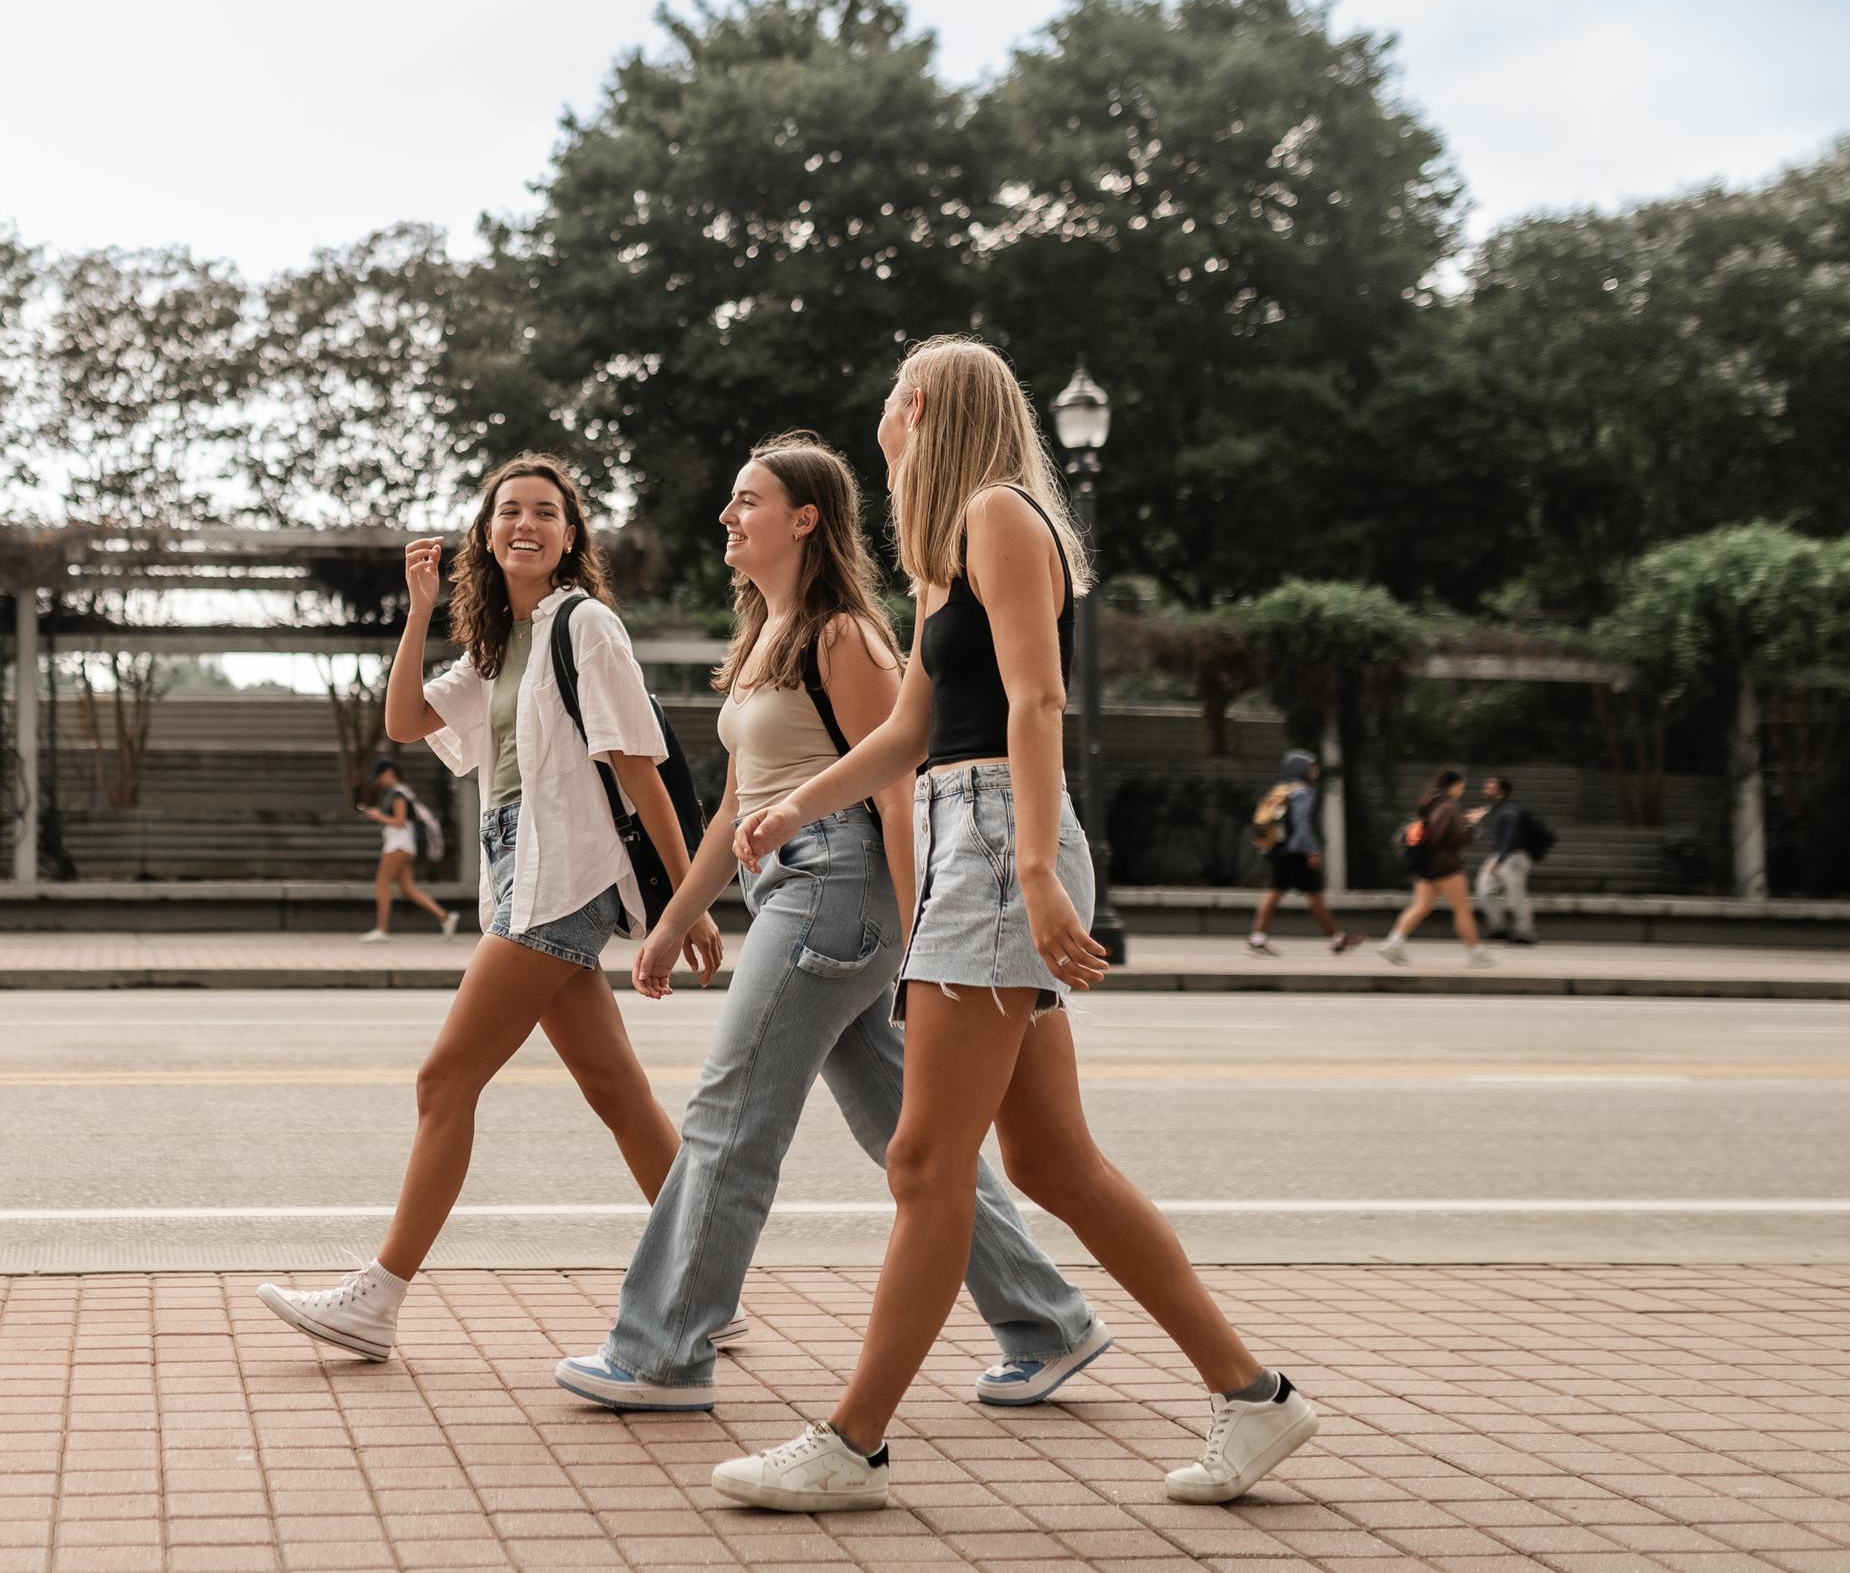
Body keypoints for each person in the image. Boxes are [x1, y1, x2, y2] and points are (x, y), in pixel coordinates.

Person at [710, 337, 1318, 1514]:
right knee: (1048, 1160)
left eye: (892, 398)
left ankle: (852, 1442)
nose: (881, 416)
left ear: (923, 406)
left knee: (926, 1158)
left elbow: (1039, 700)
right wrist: (794, 803)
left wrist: (1036, 871)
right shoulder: (945, 554)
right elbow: (903, 737)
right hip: (962, 833)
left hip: (998, 840)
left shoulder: (1000, 513)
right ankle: (1257, 1396)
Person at [553, 433, 1109, 1417]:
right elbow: (737, 805)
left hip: (840, 893)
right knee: (908, 1136)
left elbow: (900, 791)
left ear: (806, 518)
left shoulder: (844, 635)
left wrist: (915, 933)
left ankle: (665, 1350)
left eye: (747, 500)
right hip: (796, 892)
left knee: (730, 1112)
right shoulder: (765, 636)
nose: (728, 516)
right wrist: (674, 917)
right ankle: (1048, 1321)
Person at [259, 454, 700, 1361]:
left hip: (561, 876)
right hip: (521, 870)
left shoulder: (586, 626)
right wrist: (420, 612)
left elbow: (638, 765)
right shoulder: (502, 646)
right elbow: (406, 722)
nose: (526, 524)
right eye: (509, 512)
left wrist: (685, 899)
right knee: (619, 1093)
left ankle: (376, 1299)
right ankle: (708, 1280)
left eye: (546, 511)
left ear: (571, 536)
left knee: (443, 1080)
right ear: (486, 534)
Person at [1378, 767, 1491, 967]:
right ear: (1453, 786)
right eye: (1461, 786)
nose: (1462, 791)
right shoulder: (1448, 806)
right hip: (1446, 866)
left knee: (1421, 906)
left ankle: (1393, 943)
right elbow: (1446, 837)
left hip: (1427, 866)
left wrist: (1464, 820)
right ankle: (1476, 953)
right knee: (1462, 909)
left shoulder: (1431, 804)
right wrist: (1471, 826)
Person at [1248, 750, 1355, 954]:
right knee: (1315, 896)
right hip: (1295, 853)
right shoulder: (1303, 792)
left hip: (1278, 850)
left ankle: (1257, 937)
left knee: (1275, 893)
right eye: (1311, 767)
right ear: (1302, 770)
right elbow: (1302, 824)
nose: (1315, 771)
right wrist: (1311, 850)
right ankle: (1336, 938)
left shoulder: (1284, 788)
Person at [356, 757, 457, 941]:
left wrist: (378, 816)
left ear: (389, 773)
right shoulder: (402, 793)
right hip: (404, 843)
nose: (379, 781)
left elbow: (399, 821)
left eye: (380, 777)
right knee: (407, 889)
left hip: (398, 843)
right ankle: (445, 917)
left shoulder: (399, 794)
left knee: (382, 882)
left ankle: (382, 929)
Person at [1471, 775, 1543, 945]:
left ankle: (1525, 932)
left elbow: (1511, 837)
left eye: (1490, 787)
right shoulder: (1492, 810)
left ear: (1501, 793)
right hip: (1497, 856)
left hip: (1513, 857)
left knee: (1516, 895)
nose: (1485, 790)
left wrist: (1500, 860)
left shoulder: (1510, 811)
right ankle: (1499, 928)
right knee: (1484, 891)